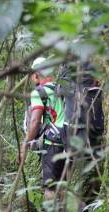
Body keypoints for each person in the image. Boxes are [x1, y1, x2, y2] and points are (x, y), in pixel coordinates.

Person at [21, 57, 67, 201]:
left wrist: (25, 144)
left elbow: (34, 121)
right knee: (62, 185)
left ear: (35, 74)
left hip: (53, 143)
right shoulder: (62, 88)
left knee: (50, 188)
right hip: (69, 141)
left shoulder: (39, 92)